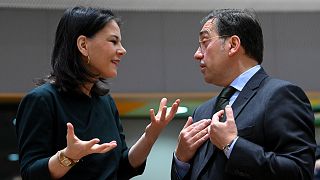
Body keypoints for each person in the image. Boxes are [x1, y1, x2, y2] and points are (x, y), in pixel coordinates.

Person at [15, 6, 180, 180]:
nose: (122, 50)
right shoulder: (41, 100)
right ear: (83, 45)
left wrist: (150, 135)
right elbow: (31, 173)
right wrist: (68, 156)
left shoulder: (105, 102)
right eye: (113, 41)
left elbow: (123, 167)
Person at [171, 9, 316, 180]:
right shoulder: (202, 111)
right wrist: (180, 160)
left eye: (204, 41)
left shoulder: (280, 95)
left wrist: (232, 145)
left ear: (233, 44)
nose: (197, 54)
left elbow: (299, 171)